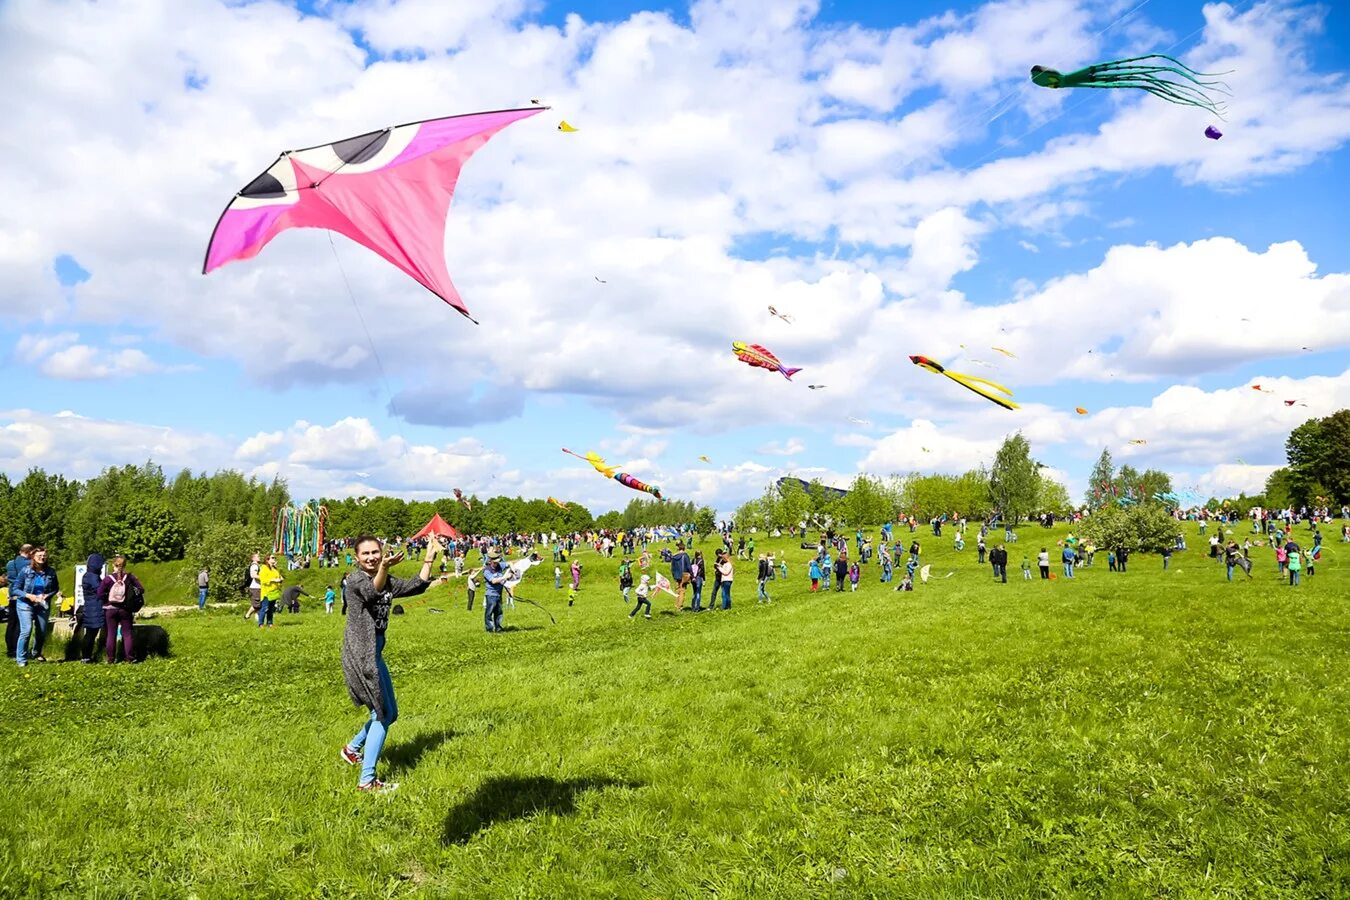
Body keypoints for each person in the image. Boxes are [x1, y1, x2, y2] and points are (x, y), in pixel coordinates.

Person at [339, 536, 441, 793]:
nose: (372, 557)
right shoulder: (354, 581)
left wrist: (429, 556)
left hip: (376, 653)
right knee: (381, 715)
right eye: (366, 554)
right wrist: (384, 566)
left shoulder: (387, 581)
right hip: (362, 655)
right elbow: (372, 591)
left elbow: (416, 586)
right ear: (356, 557)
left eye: (376, 552)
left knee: (390, 713)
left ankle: (351, 749)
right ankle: (367, 781)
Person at [12, 546, 58, 667]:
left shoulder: (51, 572)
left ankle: (36, 653)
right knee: (26, 631)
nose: (42, 558)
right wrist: (28, 595)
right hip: (25, 603)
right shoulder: (25, 571)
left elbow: (55, 588)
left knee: (42, 632)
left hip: (42, 604)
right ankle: (21, 659)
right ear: (33, 557)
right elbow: (15, 589)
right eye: (39, 556)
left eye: (44, 556)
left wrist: (47, 595)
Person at [97, 555, 143, 664]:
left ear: (113, 565)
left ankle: (110, 659)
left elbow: (99, 594)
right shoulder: (130, 577)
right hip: (125, 609)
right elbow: (141, 589)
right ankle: (130, 658)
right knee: (127, 634)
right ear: (125, 565)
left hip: (110, 609)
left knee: (111, 634)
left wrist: (107, 597)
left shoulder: (108, 579)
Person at [5, 544, 33, 658]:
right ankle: (17, 649)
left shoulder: (10, 563)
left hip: (12, 595)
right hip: (22, 595)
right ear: (30, 552)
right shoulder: (27, 564)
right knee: (20, 625)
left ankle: (10, 649)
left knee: (11, 624)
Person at [78, 554, 106, 662]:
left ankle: (86, 656)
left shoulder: (89, 575)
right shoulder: (92, 577)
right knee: (91, 634)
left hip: (91, 607)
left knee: (91, 633)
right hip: (94, 607)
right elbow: (100, 590)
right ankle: (86, 656)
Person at [481, 547, 510, 633]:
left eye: (497, 562)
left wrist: (513, 568)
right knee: (489, 613)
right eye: (495, 562)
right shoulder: (486, 570)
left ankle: (498, 628)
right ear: (490, 561)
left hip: (499, 594)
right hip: (491, 595)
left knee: (499, 612)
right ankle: (489, 629)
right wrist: (505, 577)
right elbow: (493, 581)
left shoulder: (500, 565)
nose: (497, 564)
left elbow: (510, 563)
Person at [257, 554, 283, 628]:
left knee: (271, 609)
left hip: (274, 592)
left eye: (274, 558)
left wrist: (280, 580)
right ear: (267, 560)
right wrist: (274, 580)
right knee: (265, 608)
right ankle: (261, 624)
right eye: (272, 558)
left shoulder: (275, 569)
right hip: (266, 592)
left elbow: (279, 577)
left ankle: (270, 623)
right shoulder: (264, 568)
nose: (274, 559)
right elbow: (263, 580)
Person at [669, 541, 691, 611]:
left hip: (676, 575)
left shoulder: (674, 556)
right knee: (682, 591)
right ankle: (680, 606)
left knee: (677, 590)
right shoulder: (685, 555)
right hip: (683, 575)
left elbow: (672, 567)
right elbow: (689, 566)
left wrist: (674, 575)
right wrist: (691, 574)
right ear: (684, 548)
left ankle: (676, 604)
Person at [244, 553, 262, 622]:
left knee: (258, 605)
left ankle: (258, 621)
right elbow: (253, 575)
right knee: (257, 605)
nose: (259, 557)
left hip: (257, 587)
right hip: (255, 587)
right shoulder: (254, 566)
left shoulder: (256, 565)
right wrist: (264, 578)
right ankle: (247, 615)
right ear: (253, 558)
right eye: (258, 556)